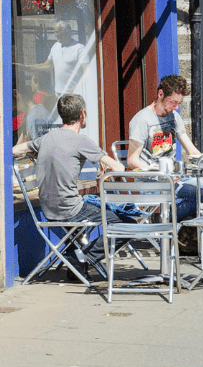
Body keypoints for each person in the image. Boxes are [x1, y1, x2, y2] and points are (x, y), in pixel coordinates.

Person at [12, 93, 125, 272]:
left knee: (80, 229)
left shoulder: (47, 138)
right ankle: (84, 257)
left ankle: (77, 263)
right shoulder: (81, 141)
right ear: (83, 114)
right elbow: (119, 169)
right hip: (70, 209)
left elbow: (15, 149)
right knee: (124, 222)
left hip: (49, 209)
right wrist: (109, 169)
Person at [127, 74, 203, 221]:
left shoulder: (174, 117)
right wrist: (160, 172)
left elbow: (191, 150)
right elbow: (132, 160)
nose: (176, 107)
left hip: (174, 177)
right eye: (173, 102)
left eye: (179, 103)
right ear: (160, 94)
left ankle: (193, 234)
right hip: (152, 180)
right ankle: (163, 220)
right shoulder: (142, 119)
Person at [19, 22, 88, 94]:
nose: (56, 36)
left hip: (75, 94)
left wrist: (78, 86)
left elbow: (87, 71)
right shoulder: (56, 46)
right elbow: (47, 65)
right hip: (58, 93)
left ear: (68, 33)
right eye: (56, 34)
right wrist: (25, 67)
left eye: (59, 34)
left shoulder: (80, 48)